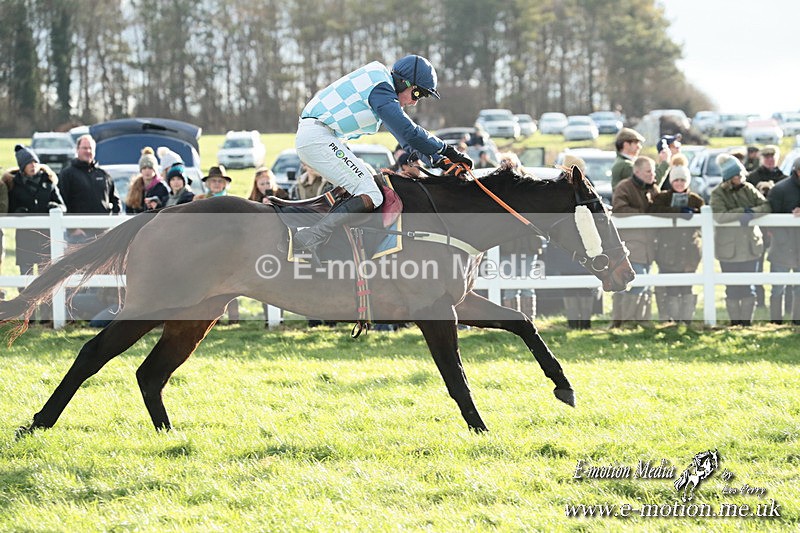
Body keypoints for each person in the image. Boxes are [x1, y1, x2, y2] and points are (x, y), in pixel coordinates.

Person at [291, 54, 472, 264]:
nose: (414, 101)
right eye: (417, 93)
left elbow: (405, 139)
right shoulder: (381, 88)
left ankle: (330, 243)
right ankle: (309, 238)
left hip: (319, 136)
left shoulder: (381, 85)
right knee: (371, 193)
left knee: (369, 186)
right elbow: (409, 130)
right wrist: (448, 150)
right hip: (317, 138)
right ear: (404, 82)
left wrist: (439, 160)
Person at [710, 154, 771, 326]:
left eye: (741, 174)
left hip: (750, 246)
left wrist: (751, 213)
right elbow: (719, 216)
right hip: (728, 249)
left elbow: (766, 206)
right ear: (729, 178)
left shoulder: (749, 189)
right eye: (737, 175)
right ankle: (734, 322)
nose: (741, 178)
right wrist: (742, 212)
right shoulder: (718, 194)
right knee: (732, 288)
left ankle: (746, 323)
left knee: (748, 287)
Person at [648, 157, 705, 323]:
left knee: (687, 286)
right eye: (676, 180)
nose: (679, 183)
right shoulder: (662, 198)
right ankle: (671, 319)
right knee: (671, 286)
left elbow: (704, 217)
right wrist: (677, 211)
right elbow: (653, 210)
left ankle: (686, 319)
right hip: (667, 250)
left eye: (683, 180)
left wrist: (693, 214)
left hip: (690, 250)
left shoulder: (696, 200)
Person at [2, 145, 65, 274]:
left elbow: (63, 207)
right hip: (25, 240)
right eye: (29, 162)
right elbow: (8, 211)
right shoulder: (14, 185)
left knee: (45, 282)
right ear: (22, 166)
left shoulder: (48, 182)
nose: (33, 165)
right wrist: (17, 213)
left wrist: (54, 207)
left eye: (35, 161)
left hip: (46, 240)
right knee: (26, 281)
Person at [610, 156, 658, 327]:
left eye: (653, 171)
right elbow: (619, 208)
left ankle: (641, 320)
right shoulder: (624, 187)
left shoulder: (653, 189)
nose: (653, 174)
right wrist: (644, 214)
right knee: (636, 283)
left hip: (648, 248)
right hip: (631, 246)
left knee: (645, 284)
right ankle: (624, 321)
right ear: (637, 172)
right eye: (649, 171)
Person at [58, 134, 120, 241]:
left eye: (90, 148)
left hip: (103, 235)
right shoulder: (67, 174)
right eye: (85, 148)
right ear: (77, 150)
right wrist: (73, 229)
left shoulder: (104, 175)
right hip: (79, 236)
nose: (88, 151)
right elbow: (61, 203)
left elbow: (116, 201)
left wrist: (112, 225)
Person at [745, 145, 785, 308]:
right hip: (758, 228)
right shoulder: (751, 178)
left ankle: (781, 301)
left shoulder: (784, 179)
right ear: (762, 158)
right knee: (757, 265)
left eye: (772, 156)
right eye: (766, 156)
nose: (769, 159)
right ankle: (759, 301)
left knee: (782, 264)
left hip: (780, 230)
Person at [765, 157, 800, 324]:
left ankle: (797, 320)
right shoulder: (779, 190)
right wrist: (784, 241)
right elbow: (771, 219)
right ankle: (775, 321)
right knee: (778, 287)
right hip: (782, 245)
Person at [124, 147, 169, 213]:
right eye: (144, 168)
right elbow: (129, 207)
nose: (147, 171)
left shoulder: (162, 188)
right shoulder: (135, 186)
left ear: (155, 170)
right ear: (140, 170)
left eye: (150, 168)